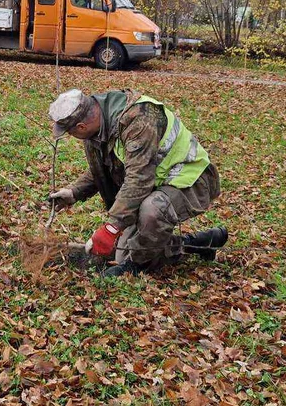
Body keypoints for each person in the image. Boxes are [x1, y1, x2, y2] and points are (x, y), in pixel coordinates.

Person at [47, 88, 228, 277]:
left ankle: (136, 266)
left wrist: (112, 227)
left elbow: (139, 179)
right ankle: (200, 242)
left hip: (190, 178)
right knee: (126, 250)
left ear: (81, 127)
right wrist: (74, 192)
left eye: (70, 132)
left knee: (151, 213)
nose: (71, 135)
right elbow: (104, 168)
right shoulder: (98, 128)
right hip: (155, 183)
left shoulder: (138, 120)